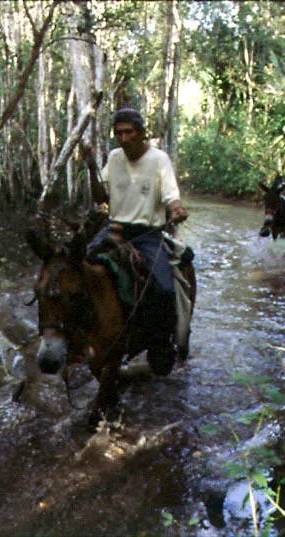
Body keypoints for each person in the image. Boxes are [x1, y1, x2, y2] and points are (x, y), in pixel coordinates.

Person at [84, 106, 188, 375]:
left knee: (163, 289)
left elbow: (171, 195)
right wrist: (91, 165)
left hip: (147, 236)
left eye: (129, 132)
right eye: (118, 132)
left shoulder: (159, 159)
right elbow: (100, 197)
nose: (123, 137)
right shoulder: (115, 157)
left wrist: (176, 209)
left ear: (141, 133)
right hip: (115, 231)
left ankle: (161, 346)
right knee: (80, 269)